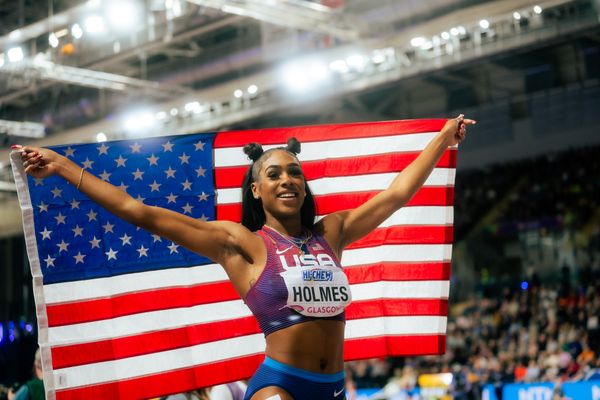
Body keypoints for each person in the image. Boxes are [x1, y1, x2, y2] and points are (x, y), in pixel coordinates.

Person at [16, 115, 473, 400]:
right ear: (257, 189)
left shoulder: (330, 233)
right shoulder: (240, 243)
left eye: (295, 172)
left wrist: (443, 139)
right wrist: (61, 167)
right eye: (273, 174)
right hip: (280, 387)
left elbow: (396, 194)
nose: (287, 180)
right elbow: (141, 213)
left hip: (334, 388)